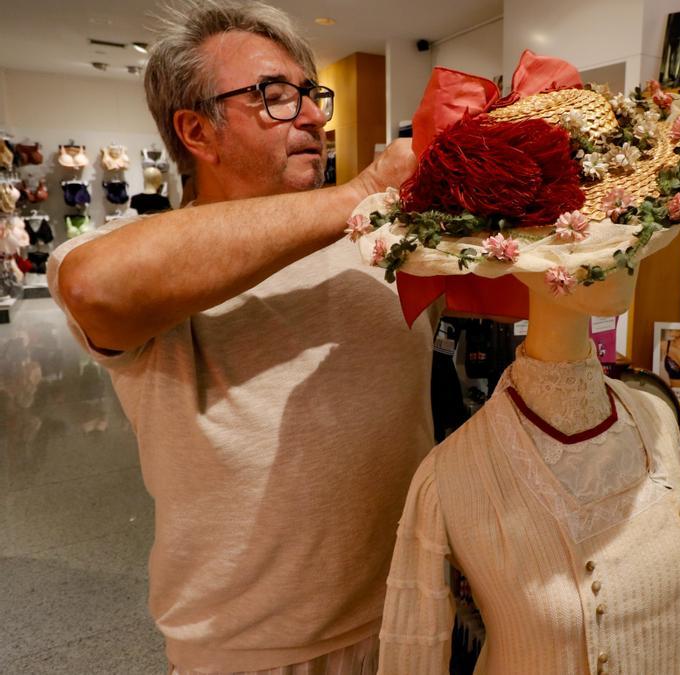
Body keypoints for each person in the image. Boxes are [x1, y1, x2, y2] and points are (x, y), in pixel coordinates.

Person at [48, 2, 435, 673]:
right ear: (198, 131)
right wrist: (364, 189)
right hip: (256, 648)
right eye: (275, 97)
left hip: (412, 612)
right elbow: (96, 286)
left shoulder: (373, 240)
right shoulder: (139, 257)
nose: (314, 116)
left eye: (311, 95)